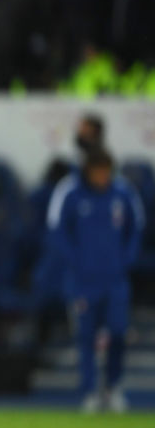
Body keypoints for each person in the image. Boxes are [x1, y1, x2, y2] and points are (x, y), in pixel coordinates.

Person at [46, 149, 145, 412]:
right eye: (98, 172)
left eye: (106, 172)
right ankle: (89, 391)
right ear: (88, 171)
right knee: (85, 337)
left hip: (115, 280)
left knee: (118, 333)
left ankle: (114, 387)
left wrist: (126, 259)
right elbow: (56, 230)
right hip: (83, 281)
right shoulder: (69, 191)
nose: (103, 177)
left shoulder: (123, 192)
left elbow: (136, 228)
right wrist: (77, 261)